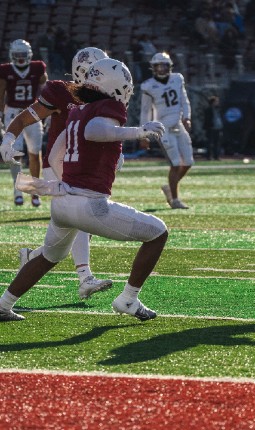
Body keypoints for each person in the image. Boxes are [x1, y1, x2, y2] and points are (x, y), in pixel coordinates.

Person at [0, 58, 168, 322]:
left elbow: (57, 152)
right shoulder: (106, 106)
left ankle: (3, 304)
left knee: (48, 256)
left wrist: (69, 179)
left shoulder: (78, 110)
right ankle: (128, 298)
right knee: (158, 233)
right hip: (89, 204)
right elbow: (95, 131)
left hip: (63, 200)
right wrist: (139, 132)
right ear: (117, 85)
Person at [1, 46, 113, 298]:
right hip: (59, 165)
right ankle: (85, 277)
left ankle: (31, 257)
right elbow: (25, 118)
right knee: (83, 216)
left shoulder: (105, 97)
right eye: (99, 72)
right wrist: (8, 138)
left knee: (61, 244)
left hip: (83, 166)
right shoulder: (61, 92)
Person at [140, 52, 193, 209]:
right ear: (153, 67)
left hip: (179, 124)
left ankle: (169, 188)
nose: (162, 69)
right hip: (163, 128)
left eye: (164, 65)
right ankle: (175, 200)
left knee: (189, 162)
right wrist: (144, 134)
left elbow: (184, 100)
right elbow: (145, 111)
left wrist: (187, 117)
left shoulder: (177, 79)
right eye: (159, 65)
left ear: (169, 66)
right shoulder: (148, 86)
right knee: (175, 164)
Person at [0, 39, 48, 207]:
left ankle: (35, 191)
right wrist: (0, 115)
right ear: (12, 56)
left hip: (33, 112)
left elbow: (46, 90)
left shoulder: (38, 68)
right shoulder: (6, 70)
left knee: (35, 153)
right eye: (17, 55)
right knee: (15, 153)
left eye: (23, 55)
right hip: (12, 113)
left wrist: (47, 111)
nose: (20, 58)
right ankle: (18, 190)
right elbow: (1, 94)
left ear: (29, 55)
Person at [204, 95, 223, 160]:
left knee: (217, 143)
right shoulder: (208, 109)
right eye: (216, 101)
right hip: (211, 128)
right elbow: (207, 119)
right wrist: (210, 125)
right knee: (210, 143)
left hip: (218, 128)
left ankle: (216, 156)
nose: (217, 103)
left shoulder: (218, 109)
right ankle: (209, 156)